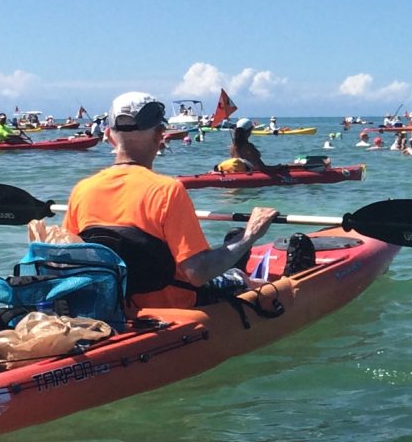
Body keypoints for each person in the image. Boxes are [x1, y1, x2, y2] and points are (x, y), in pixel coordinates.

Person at [64, 92, 277, 309]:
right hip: (176, 303)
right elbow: (198, 273)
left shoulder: (81, 191)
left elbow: (70, 262)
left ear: (108, 136)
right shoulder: (166, 190)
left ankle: (234, 254)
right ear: (159, 135)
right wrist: (251, 235)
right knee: (240, 278)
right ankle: (240, 259)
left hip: (115, 304)